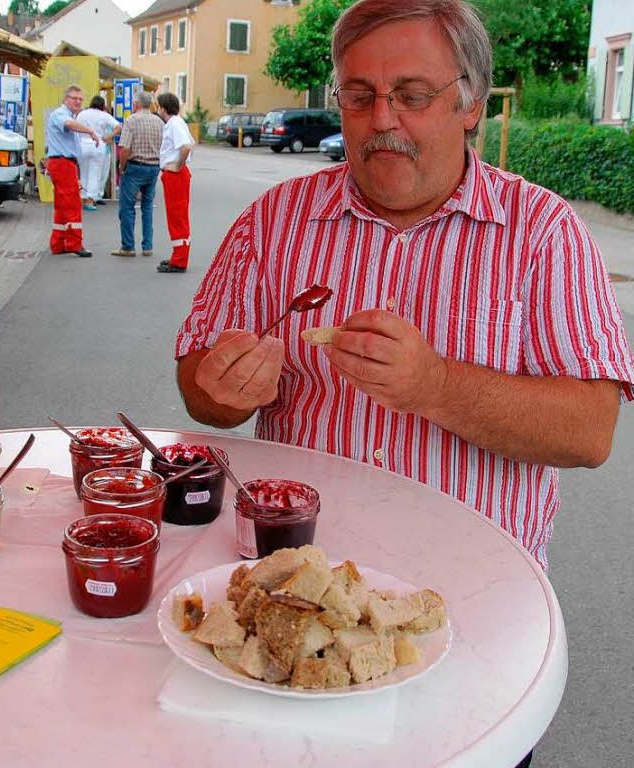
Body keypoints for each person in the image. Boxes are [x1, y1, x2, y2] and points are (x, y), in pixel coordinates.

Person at [174, 0, 634, 576]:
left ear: (471, 106)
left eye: (412, 96)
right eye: (359, 96)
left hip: (473, 584)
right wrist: (222, 389)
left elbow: (589, 432)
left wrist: (434, 386)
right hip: (297, 570)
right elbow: (198, 389)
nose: (382, 119)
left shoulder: (544, 233)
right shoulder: (272, 223)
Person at [45, 85, 101, 258]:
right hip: (62, 163)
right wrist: (90, 131)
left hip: (63, 162)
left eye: (80, 99)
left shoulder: (68, 115)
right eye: (74, 98)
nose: (78, 101)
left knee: (62, 205)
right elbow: (68, 125)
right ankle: (75, 243)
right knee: (72, 203)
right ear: (65, 99)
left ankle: (58, 242)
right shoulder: (61, 115)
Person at [112, 91, 163, 258]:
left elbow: (125, 147)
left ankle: (128, 246)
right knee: (147, 207)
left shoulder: (132, 120)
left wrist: (122, 166)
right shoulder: (159, 122)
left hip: (135, 167)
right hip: (153, 167)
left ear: (136, 104)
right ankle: (147, 245)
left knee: (127, 208)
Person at [156, 92, 195, 274]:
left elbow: (186, 146)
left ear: (163, 108)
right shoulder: (177, 123)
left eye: (158, 106)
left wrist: (177, 166)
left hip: (175, 176)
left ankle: (179, 260)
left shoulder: (174, 125)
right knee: (178, 215)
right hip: (177, 175)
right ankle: (178, 254)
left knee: (176, 216)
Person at [76, 95, 121, 212]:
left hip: (82, 145)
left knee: (84, 173)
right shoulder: (104, 115)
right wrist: (109, 136)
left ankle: (83, 198)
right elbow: (118, 126)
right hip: (98, 145)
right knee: (94, 174)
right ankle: (91, 201)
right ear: (102, 105)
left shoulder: (82, 114)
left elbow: (75, 128)